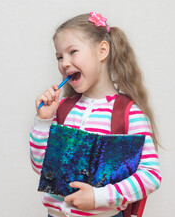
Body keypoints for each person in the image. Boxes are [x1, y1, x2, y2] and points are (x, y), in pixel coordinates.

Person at [30, 12, 161, 217]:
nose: (64, 63)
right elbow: (42, 168)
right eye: (59, 57)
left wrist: (99, 197)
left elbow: (150, 175)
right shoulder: (63, 109)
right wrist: (44, 120)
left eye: (73, 52)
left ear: (102, 51)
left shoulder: (128, 114)